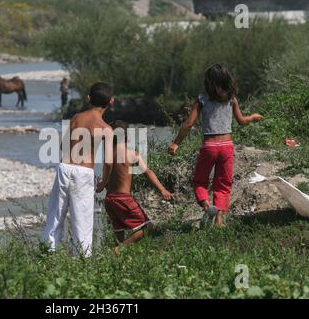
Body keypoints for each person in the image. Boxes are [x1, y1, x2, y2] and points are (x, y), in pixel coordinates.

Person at [168, 64, 263, 227]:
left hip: (209, 146)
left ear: (209, 83)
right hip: (227, 146)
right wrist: (253, 117)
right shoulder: (232, 99)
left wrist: (176, 143)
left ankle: (206, 206)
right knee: (223, 183)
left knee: (200, 181)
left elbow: (188, 124)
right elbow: (241, 121)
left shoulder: (201, 100)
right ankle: (219, 220)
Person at [43, 82, 115, 257]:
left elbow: (62, 146)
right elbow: (108, 162)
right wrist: (103, 183)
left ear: (88, 99)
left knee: (55, 216)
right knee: (82, 222)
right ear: (111, 101)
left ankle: (47, 254)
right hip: (83, 173)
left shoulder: (76, 118)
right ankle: (81, 262)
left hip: (64, 168)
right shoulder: (106, 129)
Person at [97, 120, 173, 253]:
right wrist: (162, 189)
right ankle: (119, 250)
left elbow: (107, 179)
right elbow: (147, 172)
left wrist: (102, 185)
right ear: (128, 136)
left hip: (109, 199)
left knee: (119, 231)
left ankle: (117, 258)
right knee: (147, 227)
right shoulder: (132, 154)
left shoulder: (108, 155)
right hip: (123, 198)